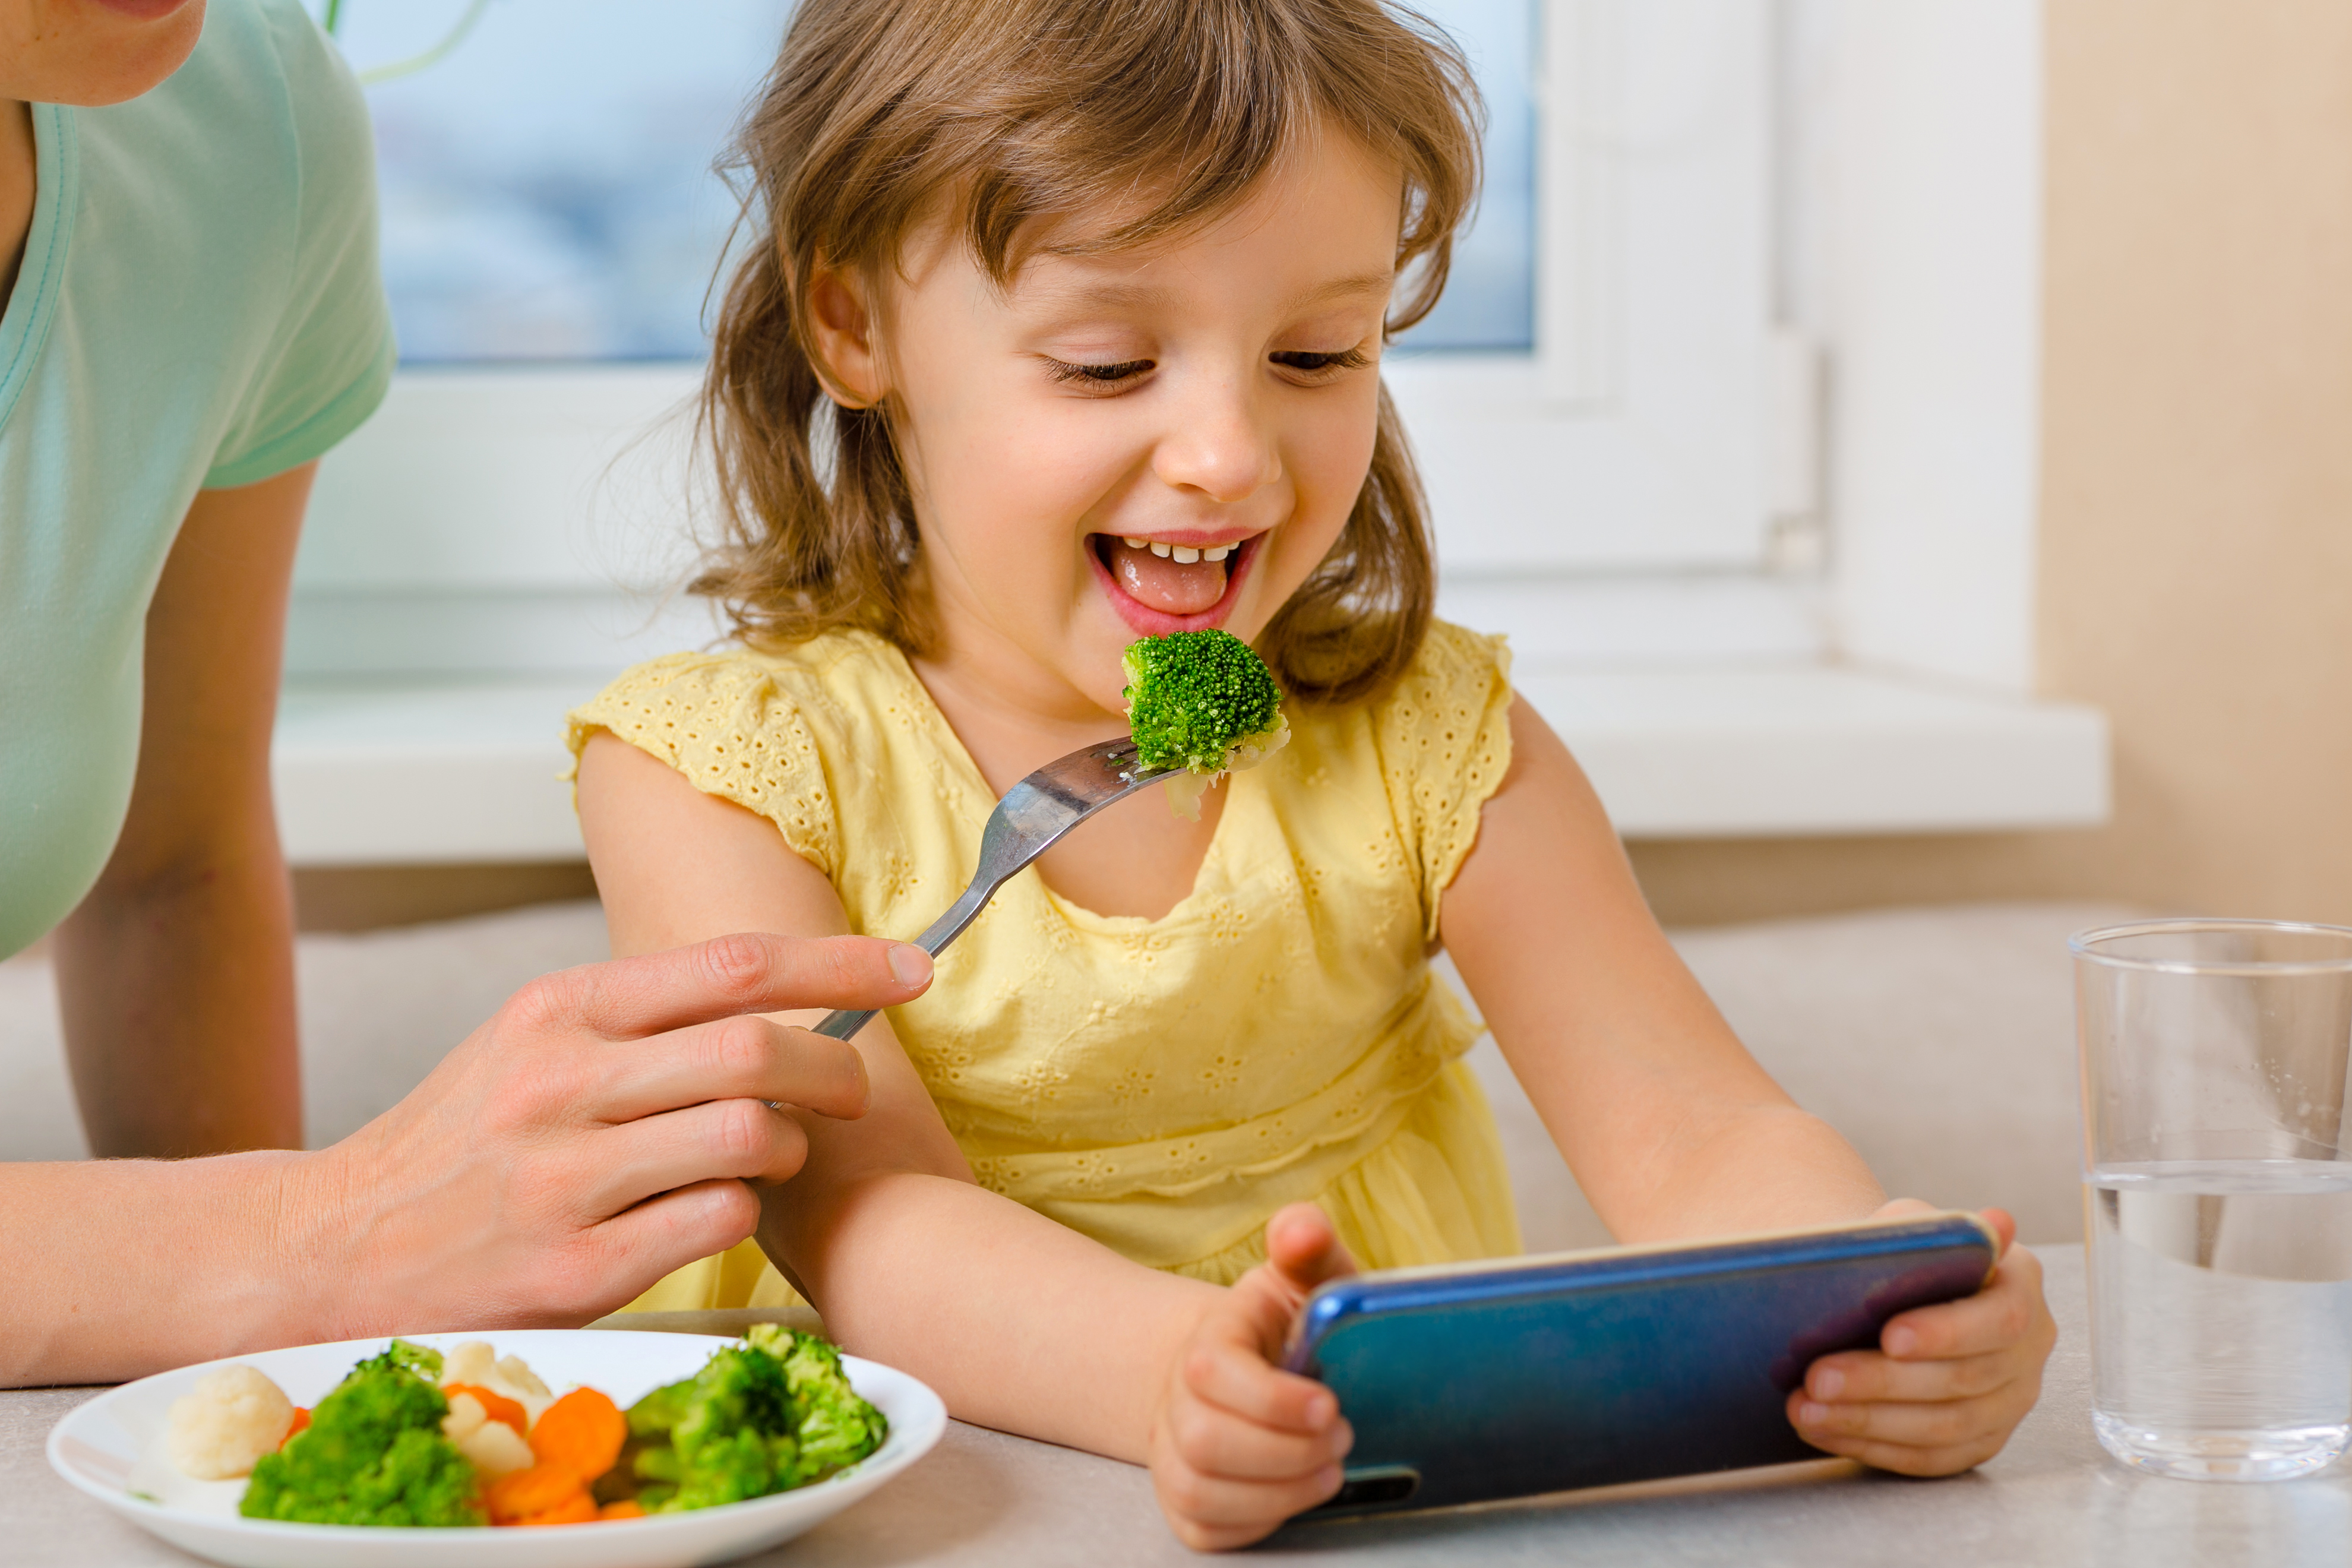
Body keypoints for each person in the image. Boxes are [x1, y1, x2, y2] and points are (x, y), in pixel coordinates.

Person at [568, 0, 2057, 1549]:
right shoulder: (718, 773)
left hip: (1377, 1501)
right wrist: (1186, 1372)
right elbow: (870, 1220)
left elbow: (1694, 1137)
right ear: (855, 327)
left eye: (1314, 352)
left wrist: (1875, 1294)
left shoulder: (1424, 735)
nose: (1226, 452)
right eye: (1106, 363)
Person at [0, 0, 935, 1388]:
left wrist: (292, 1400)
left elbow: (172, 871)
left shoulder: (237, 123)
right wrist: (318, 1232)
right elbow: (292, 1239)